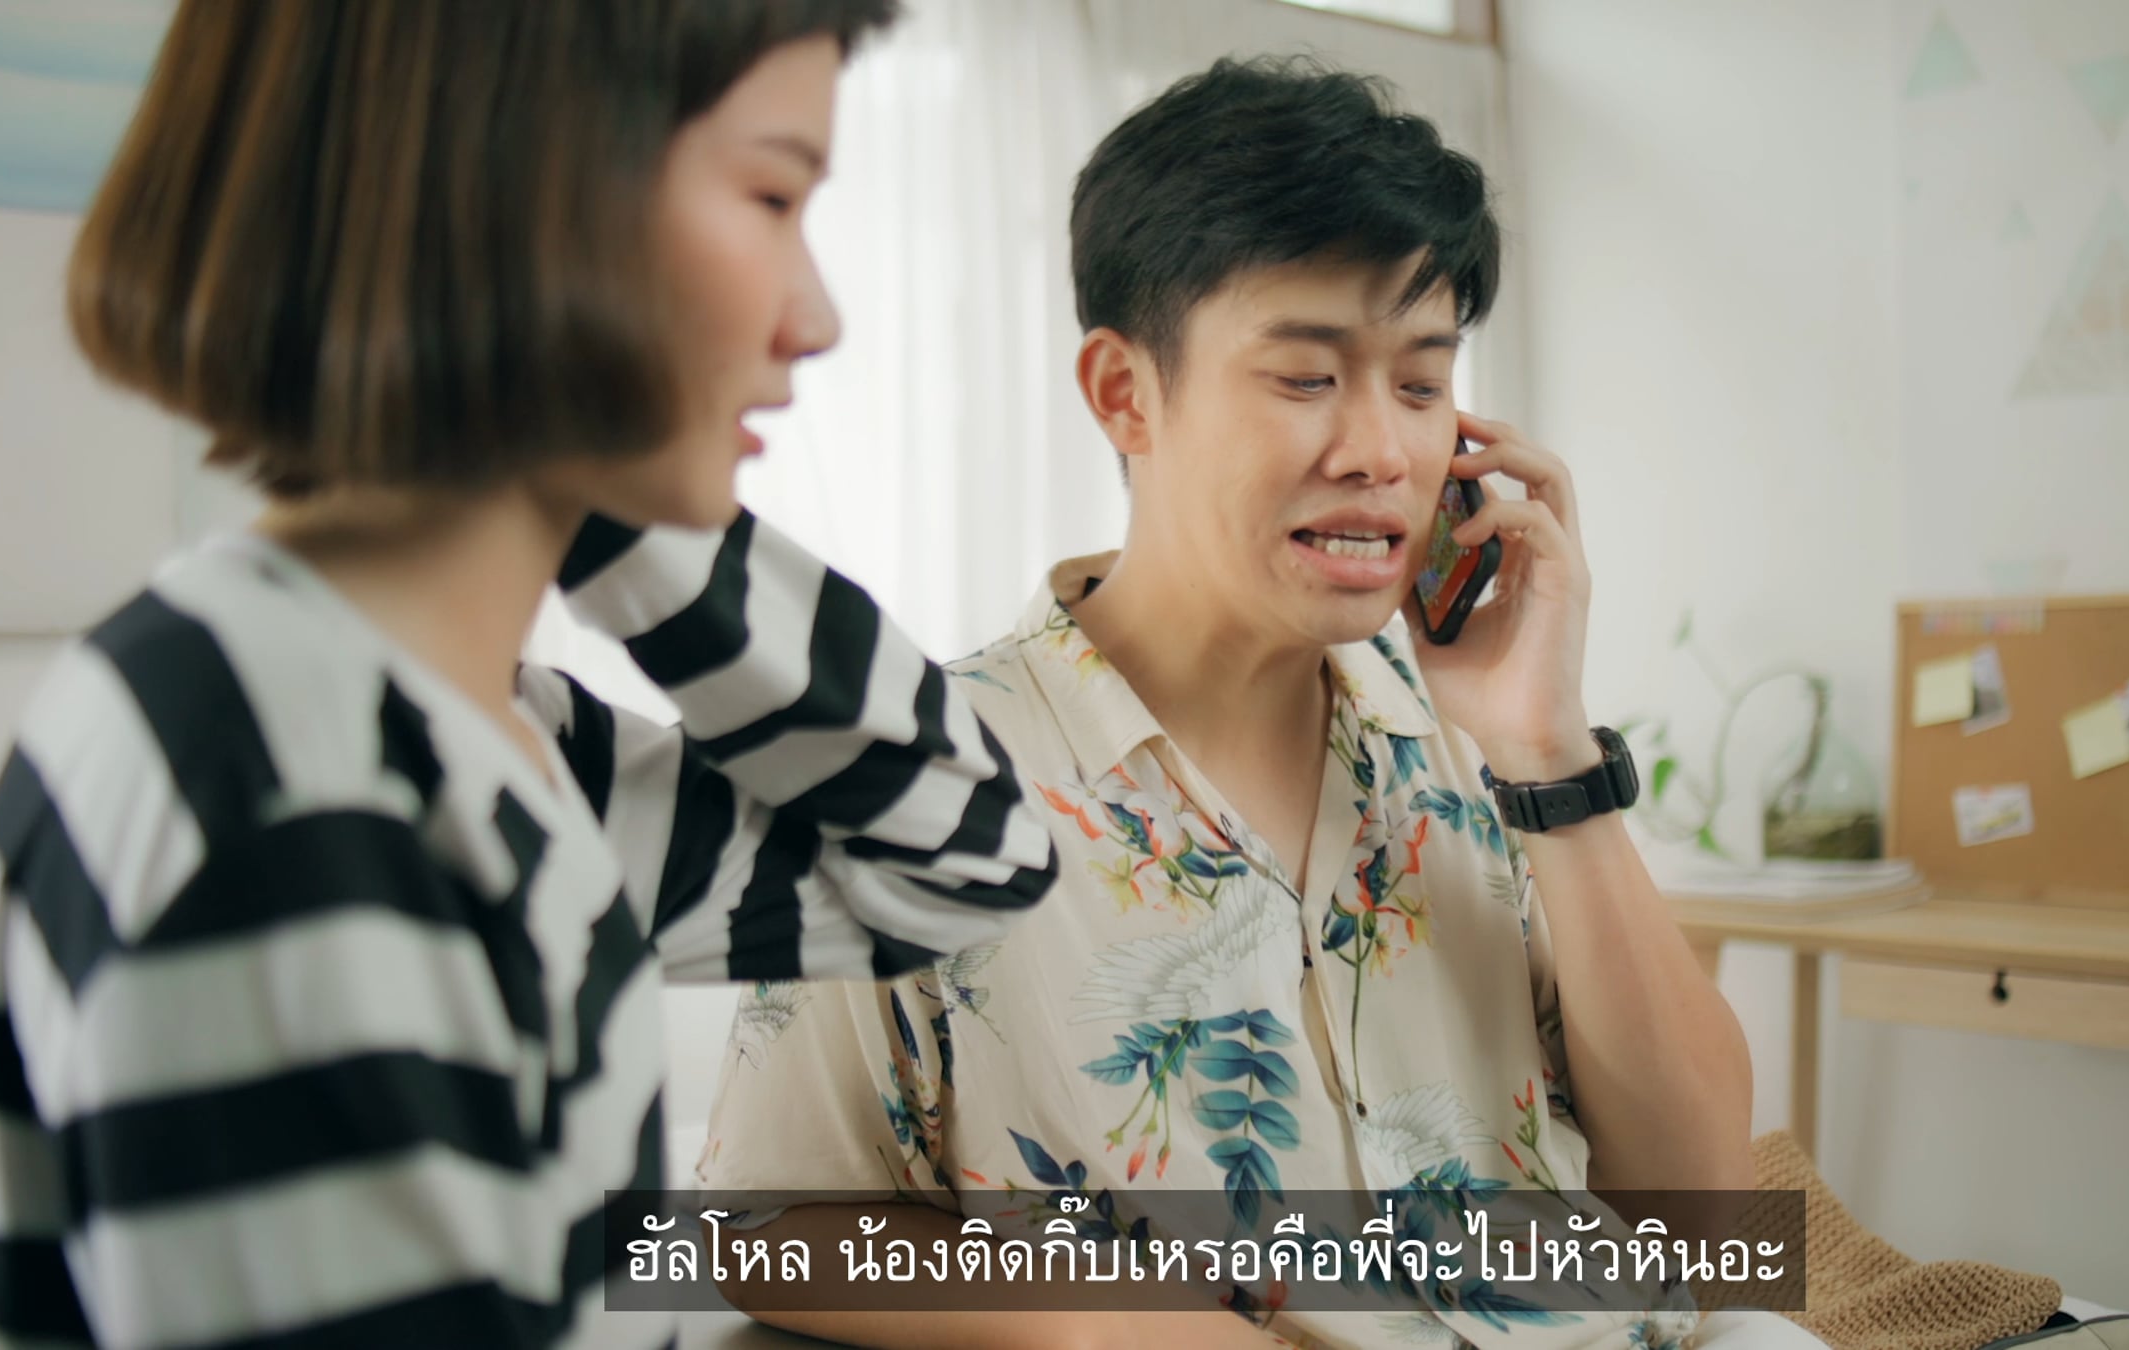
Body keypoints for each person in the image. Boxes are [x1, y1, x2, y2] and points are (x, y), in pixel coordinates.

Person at [0, 3, 1053, 1347]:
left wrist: (586, 472)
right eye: (772, 197)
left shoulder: (483, 735)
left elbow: (972, 860)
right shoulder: (298, 786)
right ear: (516, 202)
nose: (817, 316)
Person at [700, 57, 1791, 1350]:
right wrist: (1104, 1320)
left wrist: (1549, 753)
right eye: (1307, 378)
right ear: (1124, 393)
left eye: (1423, 384)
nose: (1383, 452)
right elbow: (752, 1228)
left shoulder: (1477, 747)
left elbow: (1706, 1219)